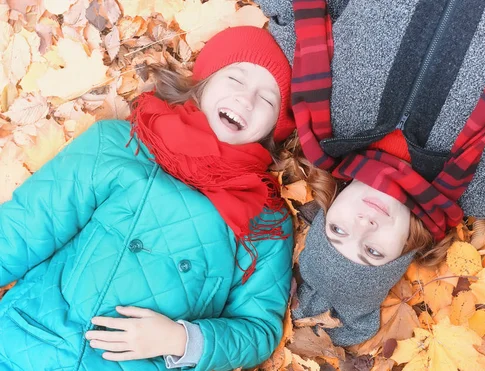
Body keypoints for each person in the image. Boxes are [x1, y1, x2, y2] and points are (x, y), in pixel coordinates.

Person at [256, 0, 485, 346]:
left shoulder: (323, 116)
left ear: (329, 208)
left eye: (338, 230)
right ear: (407, 248)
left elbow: (297, 14)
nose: (363, 225)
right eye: (373, 251)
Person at [0, 26, 296, 370]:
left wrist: (182, 340)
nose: (246, 99)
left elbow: (257, 328)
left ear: (276, 126)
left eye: (267, 99)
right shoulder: (118, 145)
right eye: (236, 79)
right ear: (204, 82)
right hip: (30, 343)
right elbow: (27, 226)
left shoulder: (265, 221)